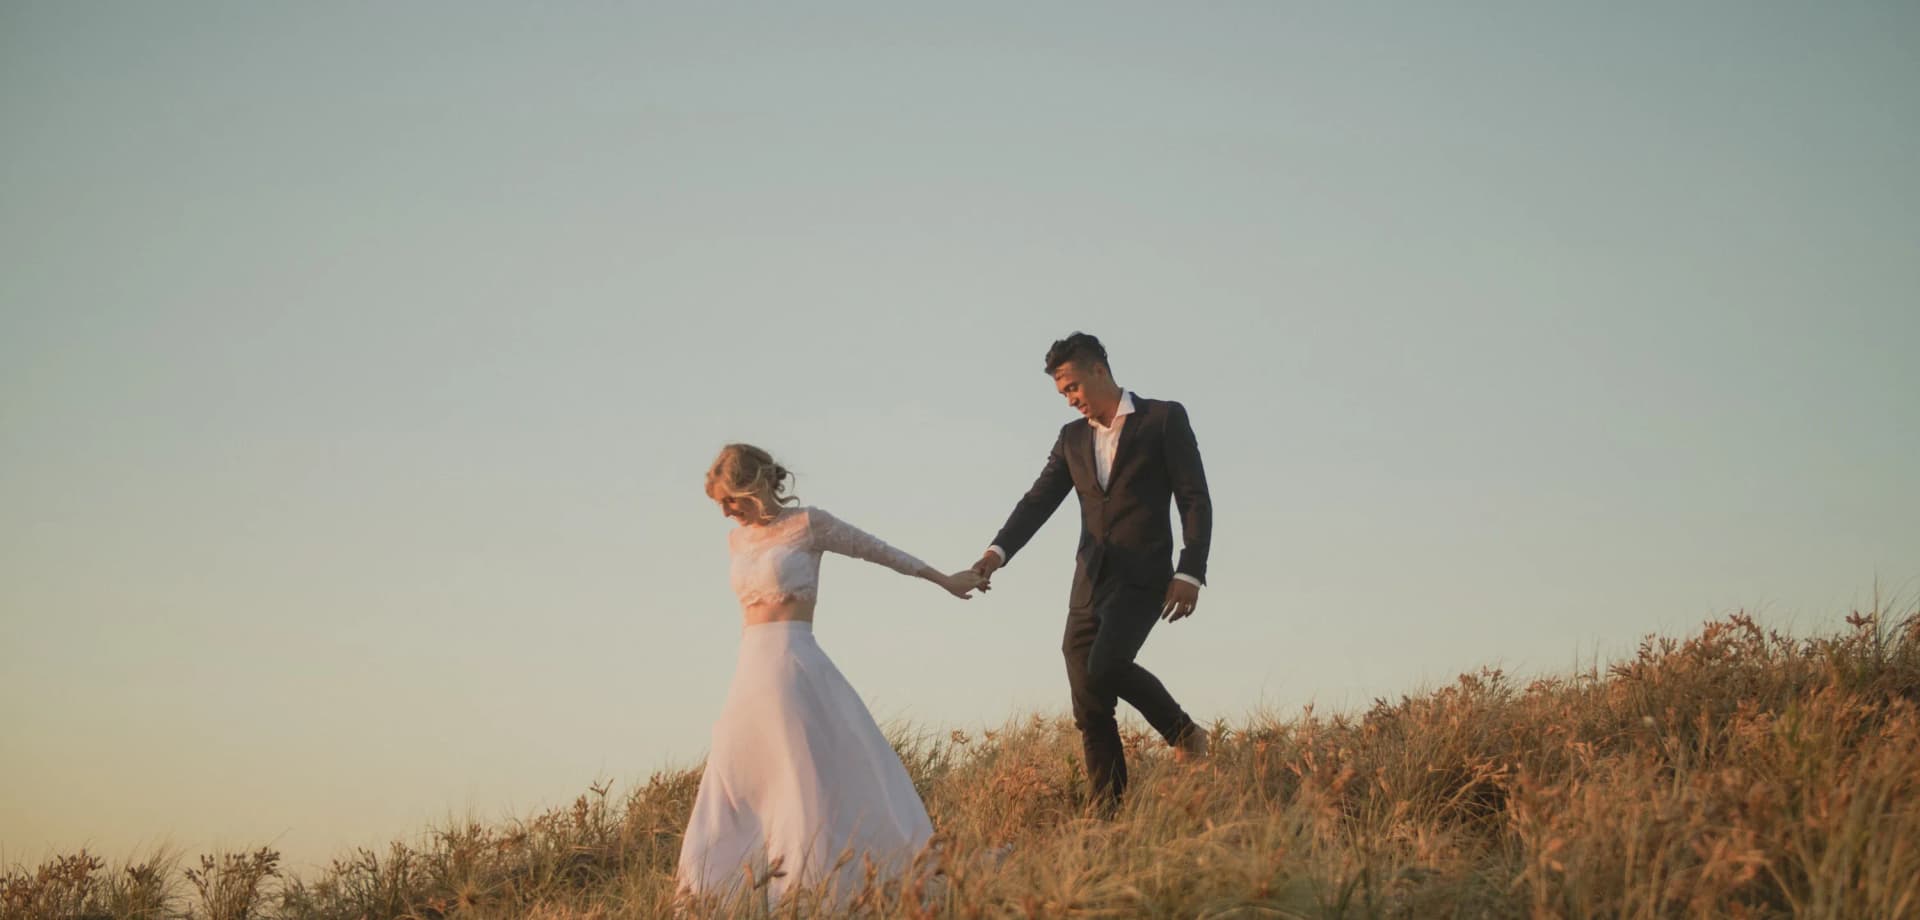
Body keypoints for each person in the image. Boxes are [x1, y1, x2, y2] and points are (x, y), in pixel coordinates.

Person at [675, 443, 987, 909]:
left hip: (797, 664)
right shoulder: (736, 541)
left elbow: (876, 550)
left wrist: (942, 578)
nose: (724, 513)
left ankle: (812, 889)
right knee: (734, 783)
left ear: (753, 487)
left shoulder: (807, 525)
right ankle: (715, 894)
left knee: (806, 780)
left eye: (729, 500)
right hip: (750, 673)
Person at [971, 332, 1213, 813]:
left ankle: (1185, 734)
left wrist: (1190, 570)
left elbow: (1193, 496)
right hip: (1088, 582)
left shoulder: (1163, 419)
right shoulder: (1071, 439)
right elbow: (1037, 501)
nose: (1071, 400)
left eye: (1074, 387)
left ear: (1099, 370)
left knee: (1107, 665)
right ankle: (1107, 816)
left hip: (1143, 577)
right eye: (1063, 394)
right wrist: (996, 554)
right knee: (1090, 704)